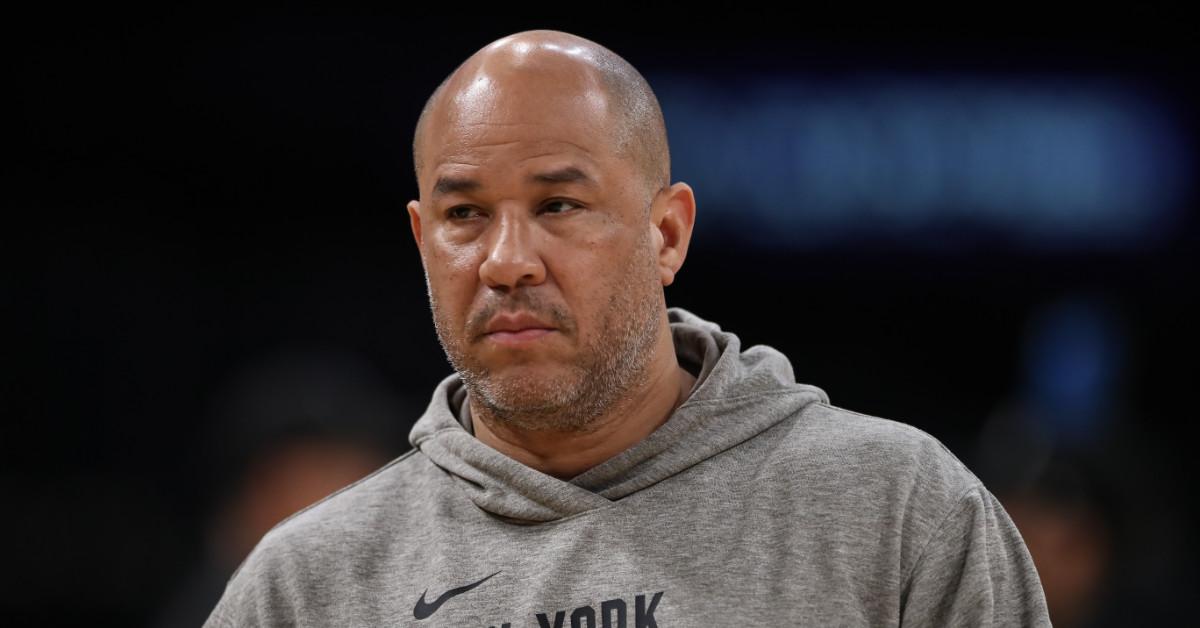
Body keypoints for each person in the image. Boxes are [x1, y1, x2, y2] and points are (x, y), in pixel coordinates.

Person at [205, 29, 1050, 627]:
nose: (507, 260)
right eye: (466, 214)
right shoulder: (308, 586)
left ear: (667, 234)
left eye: (558, 205)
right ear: (425, 241)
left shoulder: (896, 512)